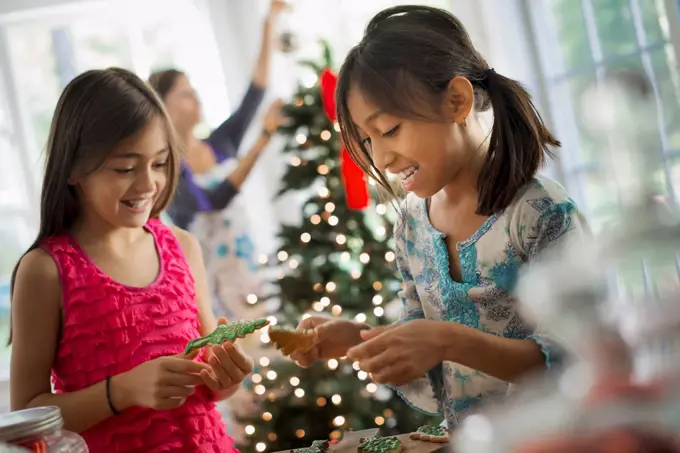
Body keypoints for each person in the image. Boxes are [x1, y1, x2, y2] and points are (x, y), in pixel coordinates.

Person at [291, 5, 588, 430]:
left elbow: (576, 360)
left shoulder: (540, 214)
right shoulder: (411, 227)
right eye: (366, 139)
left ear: (457, 101)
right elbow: (429, 364)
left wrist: (447, 340)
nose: (381, 158)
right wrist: (356, 339)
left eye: (390, 130)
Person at [9, 68, 253, 453]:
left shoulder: (183, 247)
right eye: (125, 168)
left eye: (158, 164)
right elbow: (25, 416)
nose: (147, 185)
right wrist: (120, 391)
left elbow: (211, 383)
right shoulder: (45, 271)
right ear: (73, 167)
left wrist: (228, 377)